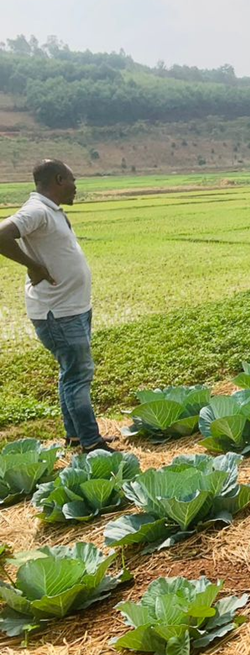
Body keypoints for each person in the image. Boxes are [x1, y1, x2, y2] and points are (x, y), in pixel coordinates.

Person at [0, 159, 114, 452]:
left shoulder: (51, 211)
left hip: (71, 308)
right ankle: (91, 442)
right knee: (79, 376)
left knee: (71, 373)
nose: (76, 187)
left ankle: (76, 436)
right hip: (58, 313)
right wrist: (33, 265)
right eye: (73, 181)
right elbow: (2, 234)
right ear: (60, 179)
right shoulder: (37, 210)